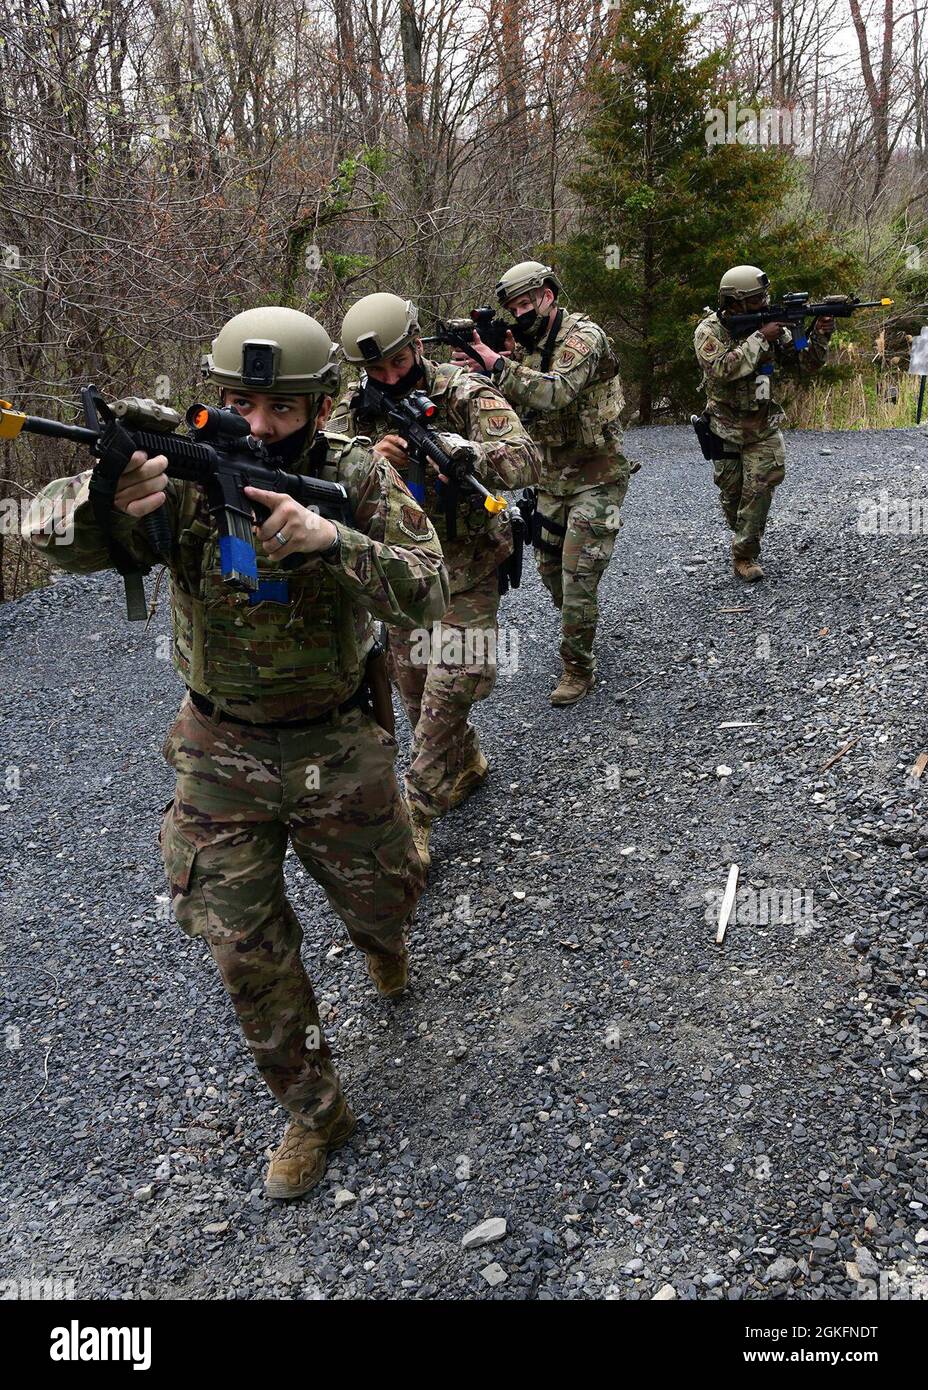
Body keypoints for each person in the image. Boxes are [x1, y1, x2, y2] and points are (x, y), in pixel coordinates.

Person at [21, 307, 449, 1200]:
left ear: (322, 405)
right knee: (243, 948)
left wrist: (336, 542)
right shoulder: (174, 470)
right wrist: (103, 493)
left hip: (337, 735)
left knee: (387, 894)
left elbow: (430, 590)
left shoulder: (357, 473)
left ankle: (382, 943)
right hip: (219, 748)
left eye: (282, 409)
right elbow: (49, 537)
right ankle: (313, 1111)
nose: (257, 426)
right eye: (240, 403)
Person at [331, 292, 539, 868]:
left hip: (470, 567)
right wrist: (370, 460)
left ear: (418, 345)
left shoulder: (463, 390)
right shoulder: (356, 407)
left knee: (451, 687)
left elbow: (526, 459)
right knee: (417, 689)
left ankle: (414, 813)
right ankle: (466, 762)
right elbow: (317, 473)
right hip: (404, 574)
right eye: (377, 369)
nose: (390, 377)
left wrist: (464, 454)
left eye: (399, 363)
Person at [454, 260, 632, 707]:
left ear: (548, 296)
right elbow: (509, 397)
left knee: (577, 578)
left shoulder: (583, 337)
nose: (520, 313)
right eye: (513, 307)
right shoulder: (527, 346)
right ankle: (581, 620)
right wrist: (478, 367)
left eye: (525, 303)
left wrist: (496, 362)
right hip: (551, 480)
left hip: (598, 475)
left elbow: (554, 392)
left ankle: (577, 667)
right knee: (550, 571)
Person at [694, 264, 836, 581]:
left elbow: (805, 362)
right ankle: (745, 535)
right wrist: (760, 337)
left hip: (762, 427)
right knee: (733, 498)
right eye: (758, 299)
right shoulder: (709, 332)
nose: (764, 303)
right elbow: (722, 370)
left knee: (758, 491)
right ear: (736, 302)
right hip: (724, 427)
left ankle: (744, 556)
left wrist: (820, 333)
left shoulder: (775, 328)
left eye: (765, 297)